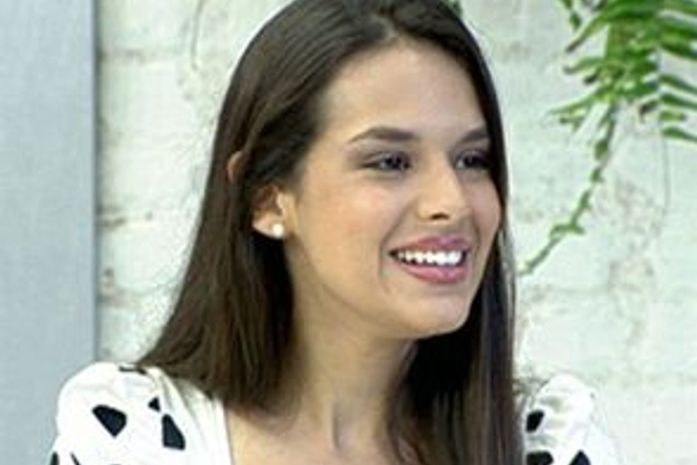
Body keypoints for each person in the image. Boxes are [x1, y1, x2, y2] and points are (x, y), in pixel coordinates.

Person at [48, 0, 622, 464]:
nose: (452, 202)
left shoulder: (545, 447)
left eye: (472, 160)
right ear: (266, 198)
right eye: (390, 162)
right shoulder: (134, 440)